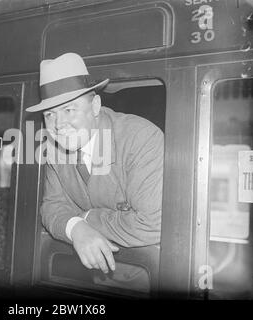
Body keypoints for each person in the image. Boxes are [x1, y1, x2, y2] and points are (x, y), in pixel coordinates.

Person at [26, 53, 163, 289]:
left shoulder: (140, 139)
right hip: (97, 279)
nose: (58, 125)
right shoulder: (54, 149)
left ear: (96, 105)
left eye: (69, 110)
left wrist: (87, 218)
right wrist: (76, 229)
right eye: (50, 114)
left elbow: (152, 224)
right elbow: (51, 207)